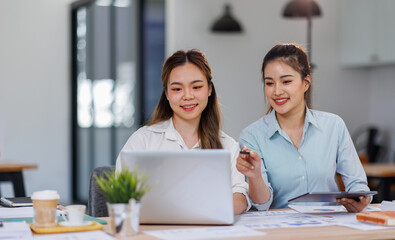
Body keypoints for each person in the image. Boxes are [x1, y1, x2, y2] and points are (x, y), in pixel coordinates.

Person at [236, 43, 370, 213]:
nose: (277, 91)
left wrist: (360, 199)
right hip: (280, 230)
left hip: (328, 225)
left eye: (286, 81)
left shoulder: (333, 126)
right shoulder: (252, 136)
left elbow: (357, 184)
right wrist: (254, 177)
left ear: (306, 83)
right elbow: (262, 204)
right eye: (269, 83)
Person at [116, 49, 250, 214]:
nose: (187, 96)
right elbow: (120, 195)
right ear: (166, 94)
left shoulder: (228, 145)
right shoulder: (143, 140)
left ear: (209, 89)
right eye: (177, 89)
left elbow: (240, 197)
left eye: (196, 87)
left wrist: (201, 212)